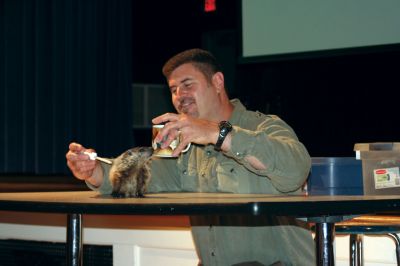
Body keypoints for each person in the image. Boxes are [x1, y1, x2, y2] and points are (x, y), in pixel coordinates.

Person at [66, 48, 315, 266]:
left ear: (217, 82)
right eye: (173, 89)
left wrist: (217, 133)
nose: (179, 95)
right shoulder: (185, 148)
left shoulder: (263, 126)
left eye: (187, 84)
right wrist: (95, 171)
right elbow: (147, 178)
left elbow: (296, 169)